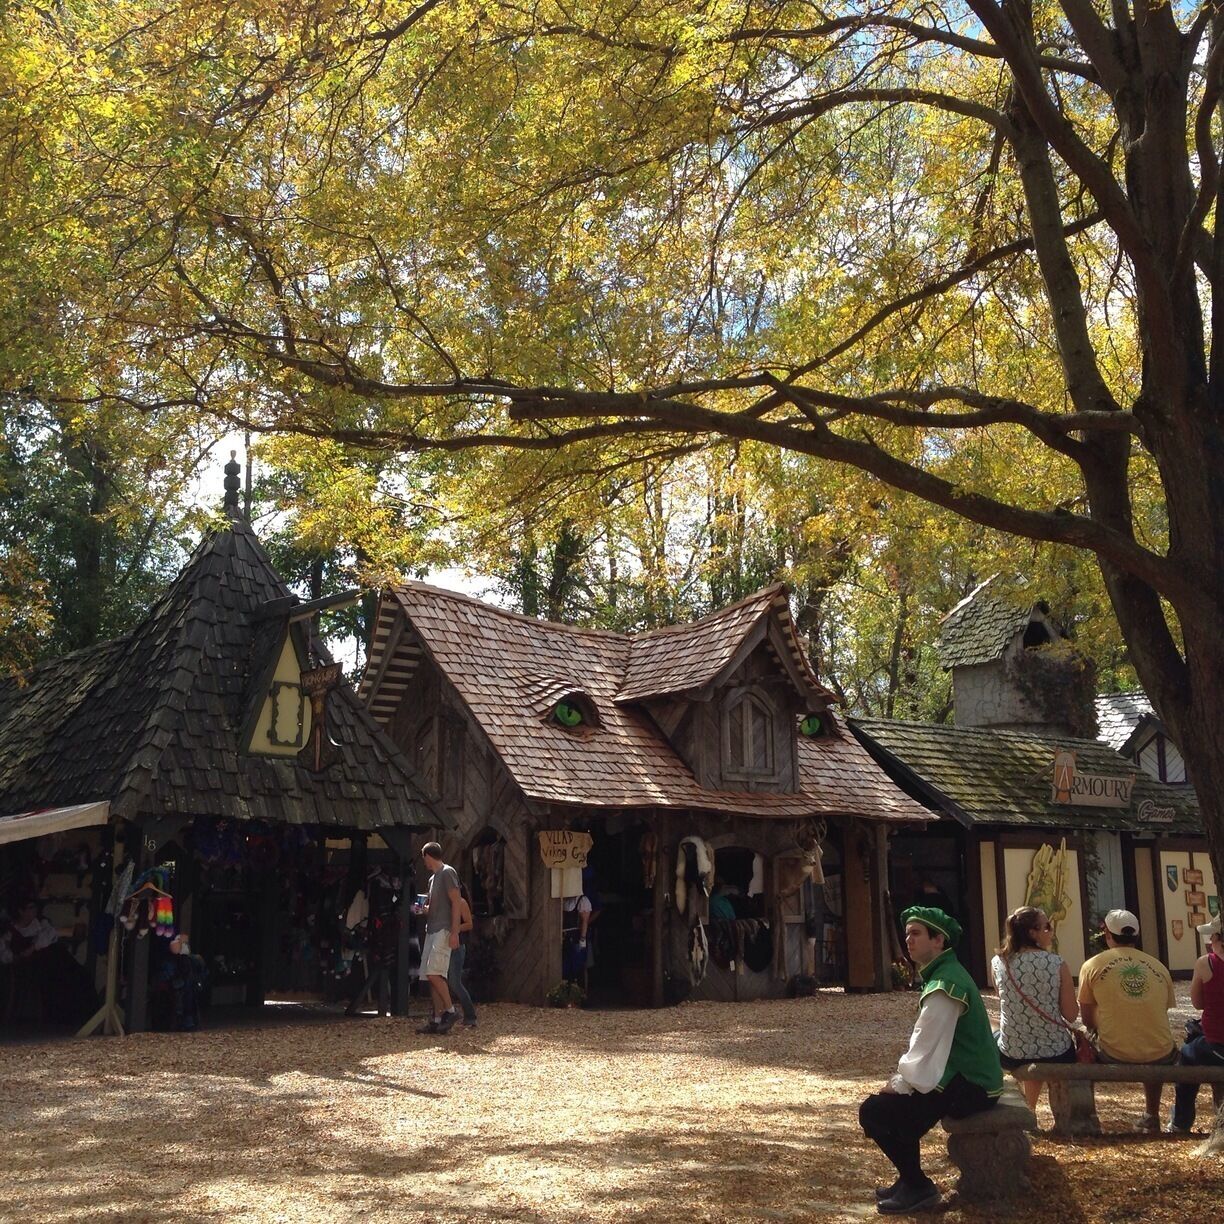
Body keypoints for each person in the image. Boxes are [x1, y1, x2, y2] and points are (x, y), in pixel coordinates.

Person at [859, 906, 1003, 1215]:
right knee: (897, 1110)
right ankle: (911, 1181)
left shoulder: (945, 984)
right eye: (908, 933)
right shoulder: (944, 974)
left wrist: (900, 1082)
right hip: (965, 1078)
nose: (908, 939)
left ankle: (917, 1185)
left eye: (916, 933)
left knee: (875, 1111)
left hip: (973, 1088)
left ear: (939, 941)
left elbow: (925, 1041)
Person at [1078, 908, 1176, 1131]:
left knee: (1082, 1039)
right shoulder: (1159, 967)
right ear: (1136, 936)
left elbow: (1087, 1018)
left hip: (1112, 1051)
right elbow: (1160, 1012)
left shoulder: (1092, 965)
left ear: (1108, 936)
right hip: (1160, 1052)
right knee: (1154, 1037)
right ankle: (1151, 1114)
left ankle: (1089, 1114)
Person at [990, 906, 1078, 1111]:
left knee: (992, 1023)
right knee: (1038, 1038)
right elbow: (1071, 1015)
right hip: (1057, 1051)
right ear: (1032, 933)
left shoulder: (998, 962)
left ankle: (1029, 1108)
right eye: (1047, 926)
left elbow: (1006, 1001)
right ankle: (1031, 1107)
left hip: (1012, 1052)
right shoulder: (1057, 963)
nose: (1052, 931)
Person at [1168, 915, 1224, 1134]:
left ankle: (1181, 1121)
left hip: (1216, 1045)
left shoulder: (1206, 963)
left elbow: (1197, 1002)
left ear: (1218, 937)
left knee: (1188, 1054)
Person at [416, 842, 461, 1035]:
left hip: (443, 930)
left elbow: (456, 901)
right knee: (430, 974)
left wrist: (455, 932)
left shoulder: (447, 872)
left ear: (427, 856)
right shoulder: (432, 879)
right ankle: (436, 1019)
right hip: (432, 929)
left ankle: (451, 1011)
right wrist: (424, 910)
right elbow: (437, 906)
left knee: (435, 974)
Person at [446, 883, 478, 1029]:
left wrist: (455, 929)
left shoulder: (461, 902)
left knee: (455, 982)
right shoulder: (446, 903)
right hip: (445, 945)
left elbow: (469, 924)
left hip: (458, 946)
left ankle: (470, 1015)